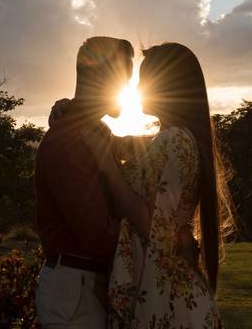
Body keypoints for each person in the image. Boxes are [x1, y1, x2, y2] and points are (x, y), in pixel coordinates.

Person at [83, 42, 234, 329]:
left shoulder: (175, 140)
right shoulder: (172, 139)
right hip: (172, 298)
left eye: (144, 79)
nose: (137, 87)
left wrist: (107, 166)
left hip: (169, 305)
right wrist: (74, 109)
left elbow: (155, 226)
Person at [34, 36, 135, 328]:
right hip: (75, 292)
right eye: (125, 78)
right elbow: (98, 235)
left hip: (85, 285)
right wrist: (157, 241)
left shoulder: (95, 132)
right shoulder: (70, 140)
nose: (129, 88)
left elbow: (134, 149)